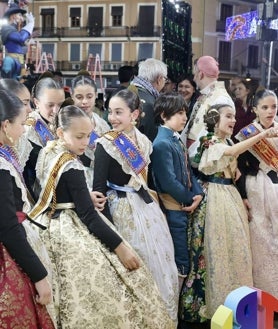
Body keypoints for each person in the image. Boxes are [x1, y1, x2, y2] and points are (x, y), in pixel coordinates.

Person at [28, 104, 176, 329]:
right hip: (72, 226)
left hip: (50, 224)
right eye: (79, 137)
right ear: (60, 132)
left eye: (88, 136)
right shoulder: (71, 164)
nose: (85, 143)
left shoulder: (49, 151)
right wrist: (120, 247)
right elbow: (89, 215)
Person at [93, 89, 179, 322]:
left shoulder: (144, 142)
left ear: (135, 114)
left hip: (146, 209)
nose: (112, 118)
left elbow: (145, 182)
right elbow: (98, 189)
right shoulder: (105, 144)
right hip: (120, 211)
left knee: (159, 262)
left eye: (119, 112)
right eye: (110, 112)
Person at [195, 103, 278, 318]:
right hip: (218, 197)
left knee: (239, 249)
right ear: (216, 121)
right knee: (222, 249)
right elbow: (232, 152)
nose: (233, 121)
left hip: (230, 194)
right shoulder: (212, 143)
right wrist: (262, 135)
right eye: (228, 117)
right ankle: (223, 306)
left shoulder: (227, 140)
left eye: (233, 117)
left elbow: (234, 165)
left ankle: (241, 304)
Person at [0, 89, 55, 328]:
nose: (24, 130)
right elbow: (9, 227)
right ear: (5, 125)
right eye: (21, 124)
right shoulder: (1, 166)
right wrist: (40, 276)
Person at [151, 92, 204, 291]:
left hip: (184, 206)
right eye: (179, 113)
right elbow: (169, 183)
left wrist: (198, 193)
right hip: (174, 210)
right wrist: (191, 197)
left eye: (185, 112)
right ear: (164, 115)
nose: (184, 118)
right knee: (180, 259)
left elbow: (188, 169)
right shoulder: (162, 144)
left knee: (185, 256)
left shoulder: (174, 140)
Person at [236, 89, 278, 299]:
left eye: (274, 107)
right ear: (255, 110)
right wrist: (243, 195)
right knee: (261, 240)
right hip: (256, 190)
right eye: (265, 107)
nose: (270, 111)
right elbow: (238, 167)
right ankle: (265, 295)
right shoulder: (247, 133)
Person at [180, 56, 234, 160]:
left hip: (205, 158)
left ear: (200, 74)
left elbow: (212, 133)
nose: (194, 78)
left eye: (195, 74)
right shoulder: (205, 95)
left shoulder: (221, 99)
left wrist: (190, 154)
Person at [21, 77, 65, 199]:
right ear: (36, 102)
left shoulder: (62, 121)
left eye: (60, 105)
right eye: (50, 105)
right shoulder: (29, 129)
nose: (56, 110)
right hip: (42, 194)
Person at [71, 74, 110, 187]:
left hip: (101, 182)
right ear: (72, 96)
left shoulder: (102, 124)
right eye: (79, 97)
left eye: (89, 96)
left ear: (96, 95)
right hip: (76, 182)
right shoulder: (65, 123)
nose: (84, 102)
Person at [130, 58, 168, 141]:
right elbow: (150, 140)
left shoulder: (126, 92)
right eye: (165, 79)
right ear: (159, 79)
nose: (165, 83)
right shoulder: (150, 104)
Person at [1, 3, 35, 79]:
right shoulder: (6, 29)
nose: (21, 18)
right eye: (19, 15)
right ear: (13, 16)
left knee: (17, 83)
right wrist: (30, 25)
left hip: (19, 62)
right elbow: (21, 38)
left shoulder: (14, 30)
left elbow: (21, 45)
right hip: (12, 60)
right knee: (8, 63)